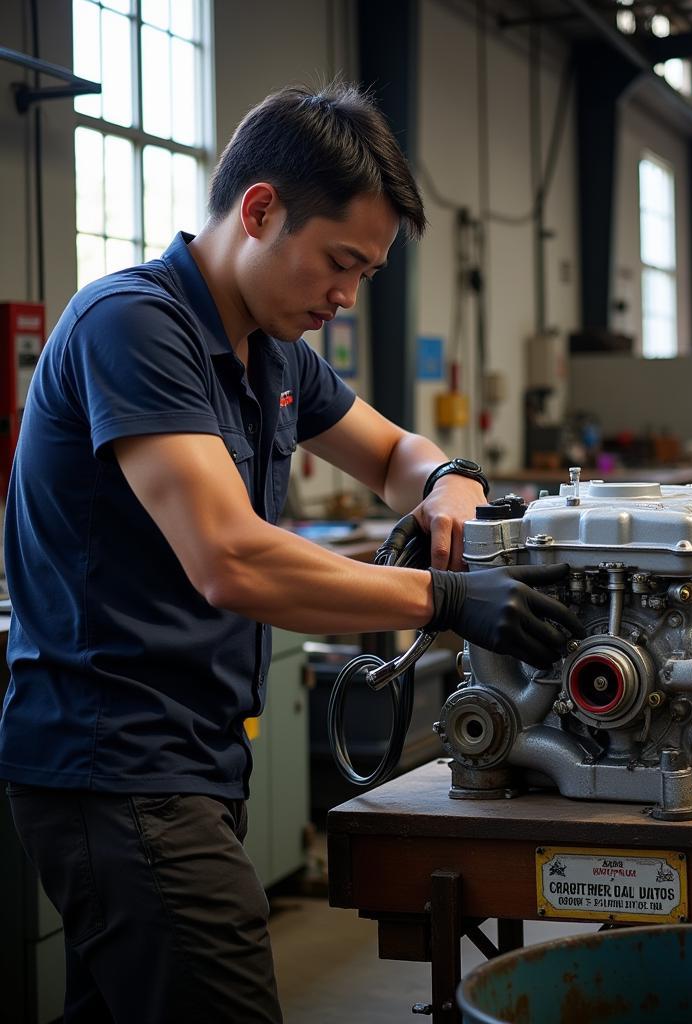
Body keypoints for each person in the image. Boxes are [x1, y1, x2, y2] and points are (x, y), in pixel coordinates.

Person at [0, 82, 583, 1024]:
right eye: (338, 262)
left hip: (192, 758)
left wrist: (452, 481)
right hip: (116, 768)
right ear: (260, 209)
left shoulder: (273, 354)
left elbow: (395, 452)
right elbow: (231, 559)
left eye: (365, 275)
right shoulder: (135, 325)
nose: (344, 296)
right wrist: (443, 599)